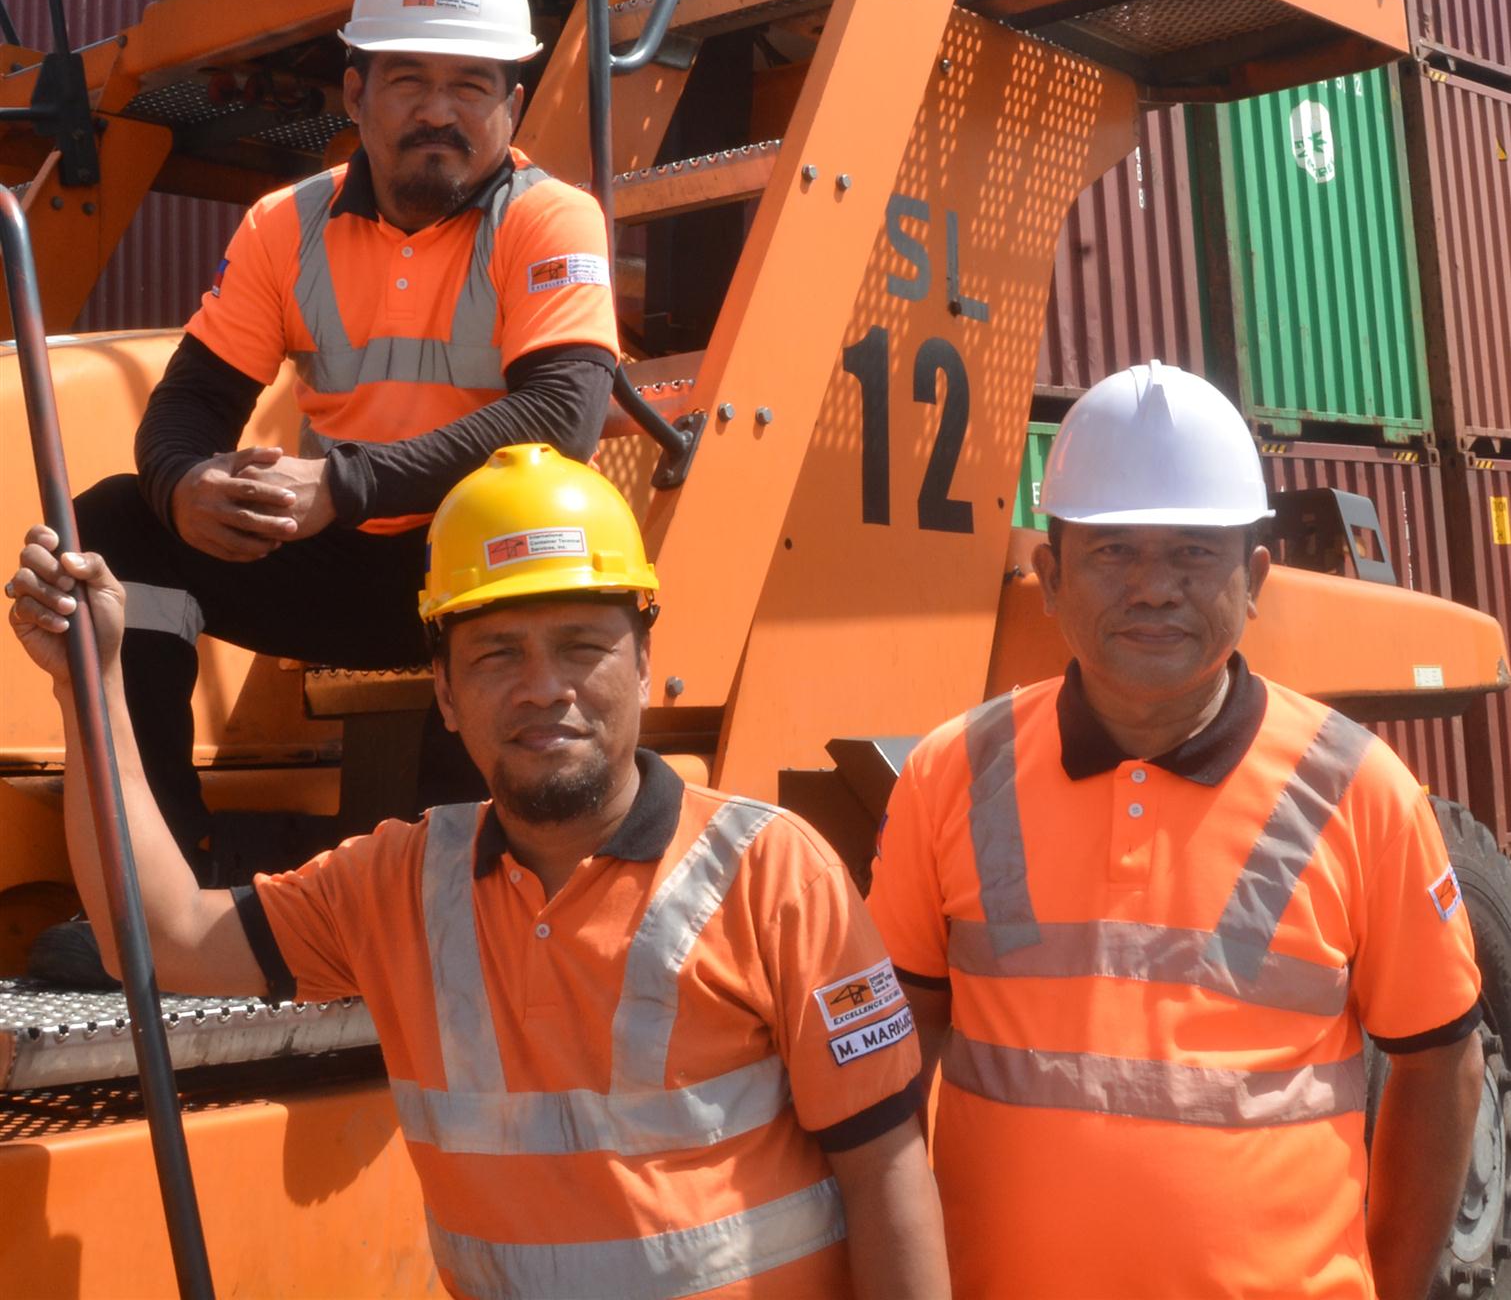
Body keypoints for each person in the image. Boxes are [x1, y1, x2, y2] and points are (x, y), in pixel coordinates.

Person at [7, 446, 950, 1300]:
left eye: (582, 644)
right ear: (448, 697)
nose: (545, 686)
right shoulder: (396, 884)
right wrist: (87, 687)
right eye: (498, 653)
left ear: (644, 660)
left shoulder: (773, 871)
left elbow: (885, 1170)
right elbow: (165, 934)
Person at [36, 0, 620, 984]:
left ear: (512, 106)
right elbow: (191, 401)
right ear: (355, 92)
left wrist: (337, 485)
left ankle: (491, 903)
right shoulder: (283, 226)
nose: (438, 110)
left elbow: (562, 414)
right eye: (408, 79)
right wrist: (186, 484)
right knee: (112, 529)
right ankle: (158, 890)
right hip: (350, 557)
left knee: (517, 533)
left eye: (470, 84)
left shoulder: (548, 217)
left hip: (488, 570)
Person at [868, 360, 1484, 1300]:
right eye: (1113, 550)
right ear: (1049, 575)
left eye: (1194, 551)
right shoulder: (948, 775)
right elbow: (893, 1061)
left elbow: (1439, 1068)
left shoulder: (1362, 792)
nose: (1153, 588)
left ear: (1256, 578)